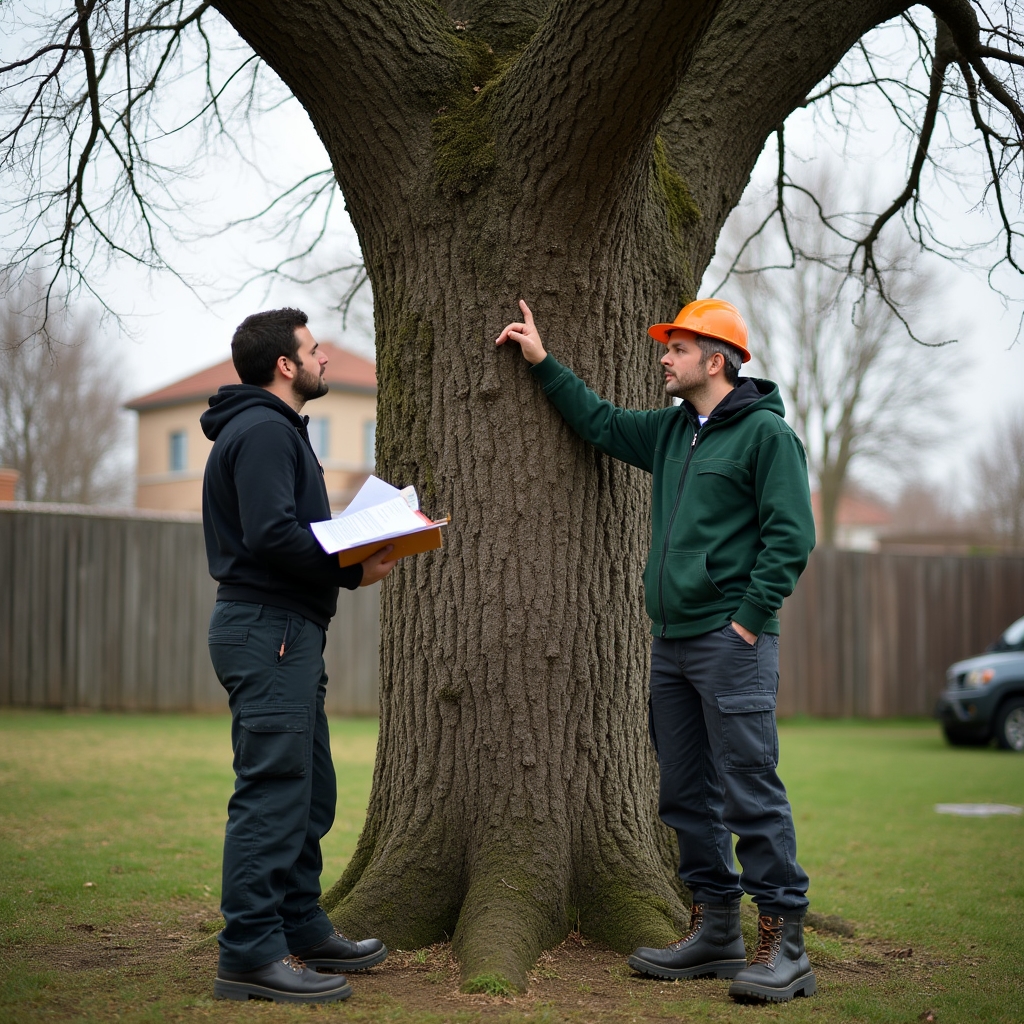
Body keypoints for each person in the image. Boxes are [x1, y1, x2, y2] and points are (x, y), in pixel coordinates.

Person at [496, 298, 817, 1004]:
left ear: (715, 359)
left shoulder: (768, 437)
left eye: (676, 348)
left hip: (731, 643)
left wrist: (747, 620)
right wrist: (543, 363)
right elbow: (601, 424)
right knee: (684, 795)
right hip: (670, 645)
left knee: (749, 789)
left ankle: (785, 945)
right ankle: (716, 933)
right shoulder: (674, 432)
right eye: (665, 347)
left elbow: (791, 536)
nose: (663, 358)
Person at [201, 307, 397, 1004]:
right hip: (267, 628)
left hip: (283, 629)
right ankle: (250, 954)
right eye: (315, 350)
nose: (325, 360)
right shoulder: (260, 432)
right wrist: (351, 566)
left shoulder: (273, 430)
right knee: (274, 793)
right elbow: (272, 535)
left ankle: (299, 925)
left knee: (309, 787)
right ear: (286, 364)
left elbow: (282, 531)